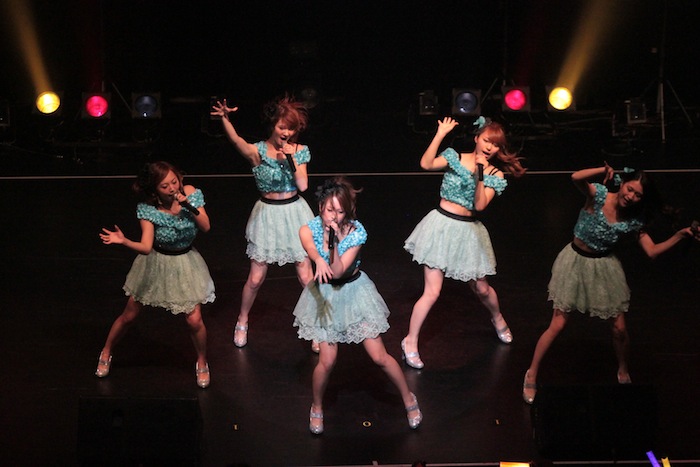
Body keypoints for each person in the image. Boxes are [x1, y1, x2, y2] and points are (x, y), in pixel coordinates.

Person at [522, 164, 700, 404]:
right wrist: (602, 169)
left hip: (604, 267)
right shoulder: (598, 195)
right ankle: (531, 373)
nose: (631, 197)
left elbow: (652, 251)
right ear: (622, 183)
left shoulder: (632, 219)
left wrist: (679, 235)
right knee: (558, 324)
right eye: (630, 189)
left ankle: (623, 368)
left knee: (619, 329)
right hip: (575, 263)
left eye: (638, 195)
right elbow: (575, 177)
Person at [292, 177, 423, 434]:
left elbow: (338, 271)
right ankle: (316, 406)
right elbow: (309, 247)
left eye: (340, 211)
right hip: (326, 296)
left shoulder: (356, 232)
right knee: (327, 361)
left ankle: (409, 398)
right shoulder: (308, 229)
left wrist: (333, 243)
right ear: (320, 206)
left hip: (353, 291)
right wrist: (319, 258)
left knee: (379, 357)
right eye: (330, 209)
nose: (334, 216)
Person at [402, 116, 526, 369]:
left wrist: (480, 173)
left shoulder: (494, 174)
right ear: (477, 138)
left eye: (496, 145)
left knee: (481, 288)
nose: (490, 147)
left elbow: (479, 205)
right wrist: (440, 134)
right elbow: (426, 164)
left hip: (468, 232)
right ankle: (410, 341)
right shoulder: (455, 157)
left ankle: (497, 317)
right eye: (487, 140)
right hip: (440, 227)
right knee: (432, 292)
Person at [95, 161, 216, 388]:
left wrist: (189, 205)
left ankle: (201, 361)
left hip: (185, 263)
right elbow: (145, 247)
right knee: (129, 315)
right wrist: (124, 241)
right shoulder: (148, 210)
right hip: (156, 262)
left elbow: (206, 226)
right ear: (155, 190)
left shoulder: (190, 193)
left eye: (174, 182)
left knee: (194, 320)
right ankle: (106, 350)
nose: (172, 188)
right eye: (165, 186)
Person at [211, 96, 316, 350]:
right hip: (267, 215)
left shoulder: (299, 151)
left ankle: (316, 325)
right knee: (256, 278)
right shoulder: (257, 151)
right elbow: (236, 141)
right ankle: (242, 319)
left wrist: (291, 159)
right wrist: (225, 119)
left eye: (291, 129)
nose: (286, 133)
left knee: (306, 275)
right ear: (273, 125)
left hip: (295, 214)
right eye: (282, 127)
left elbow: (303, 185)